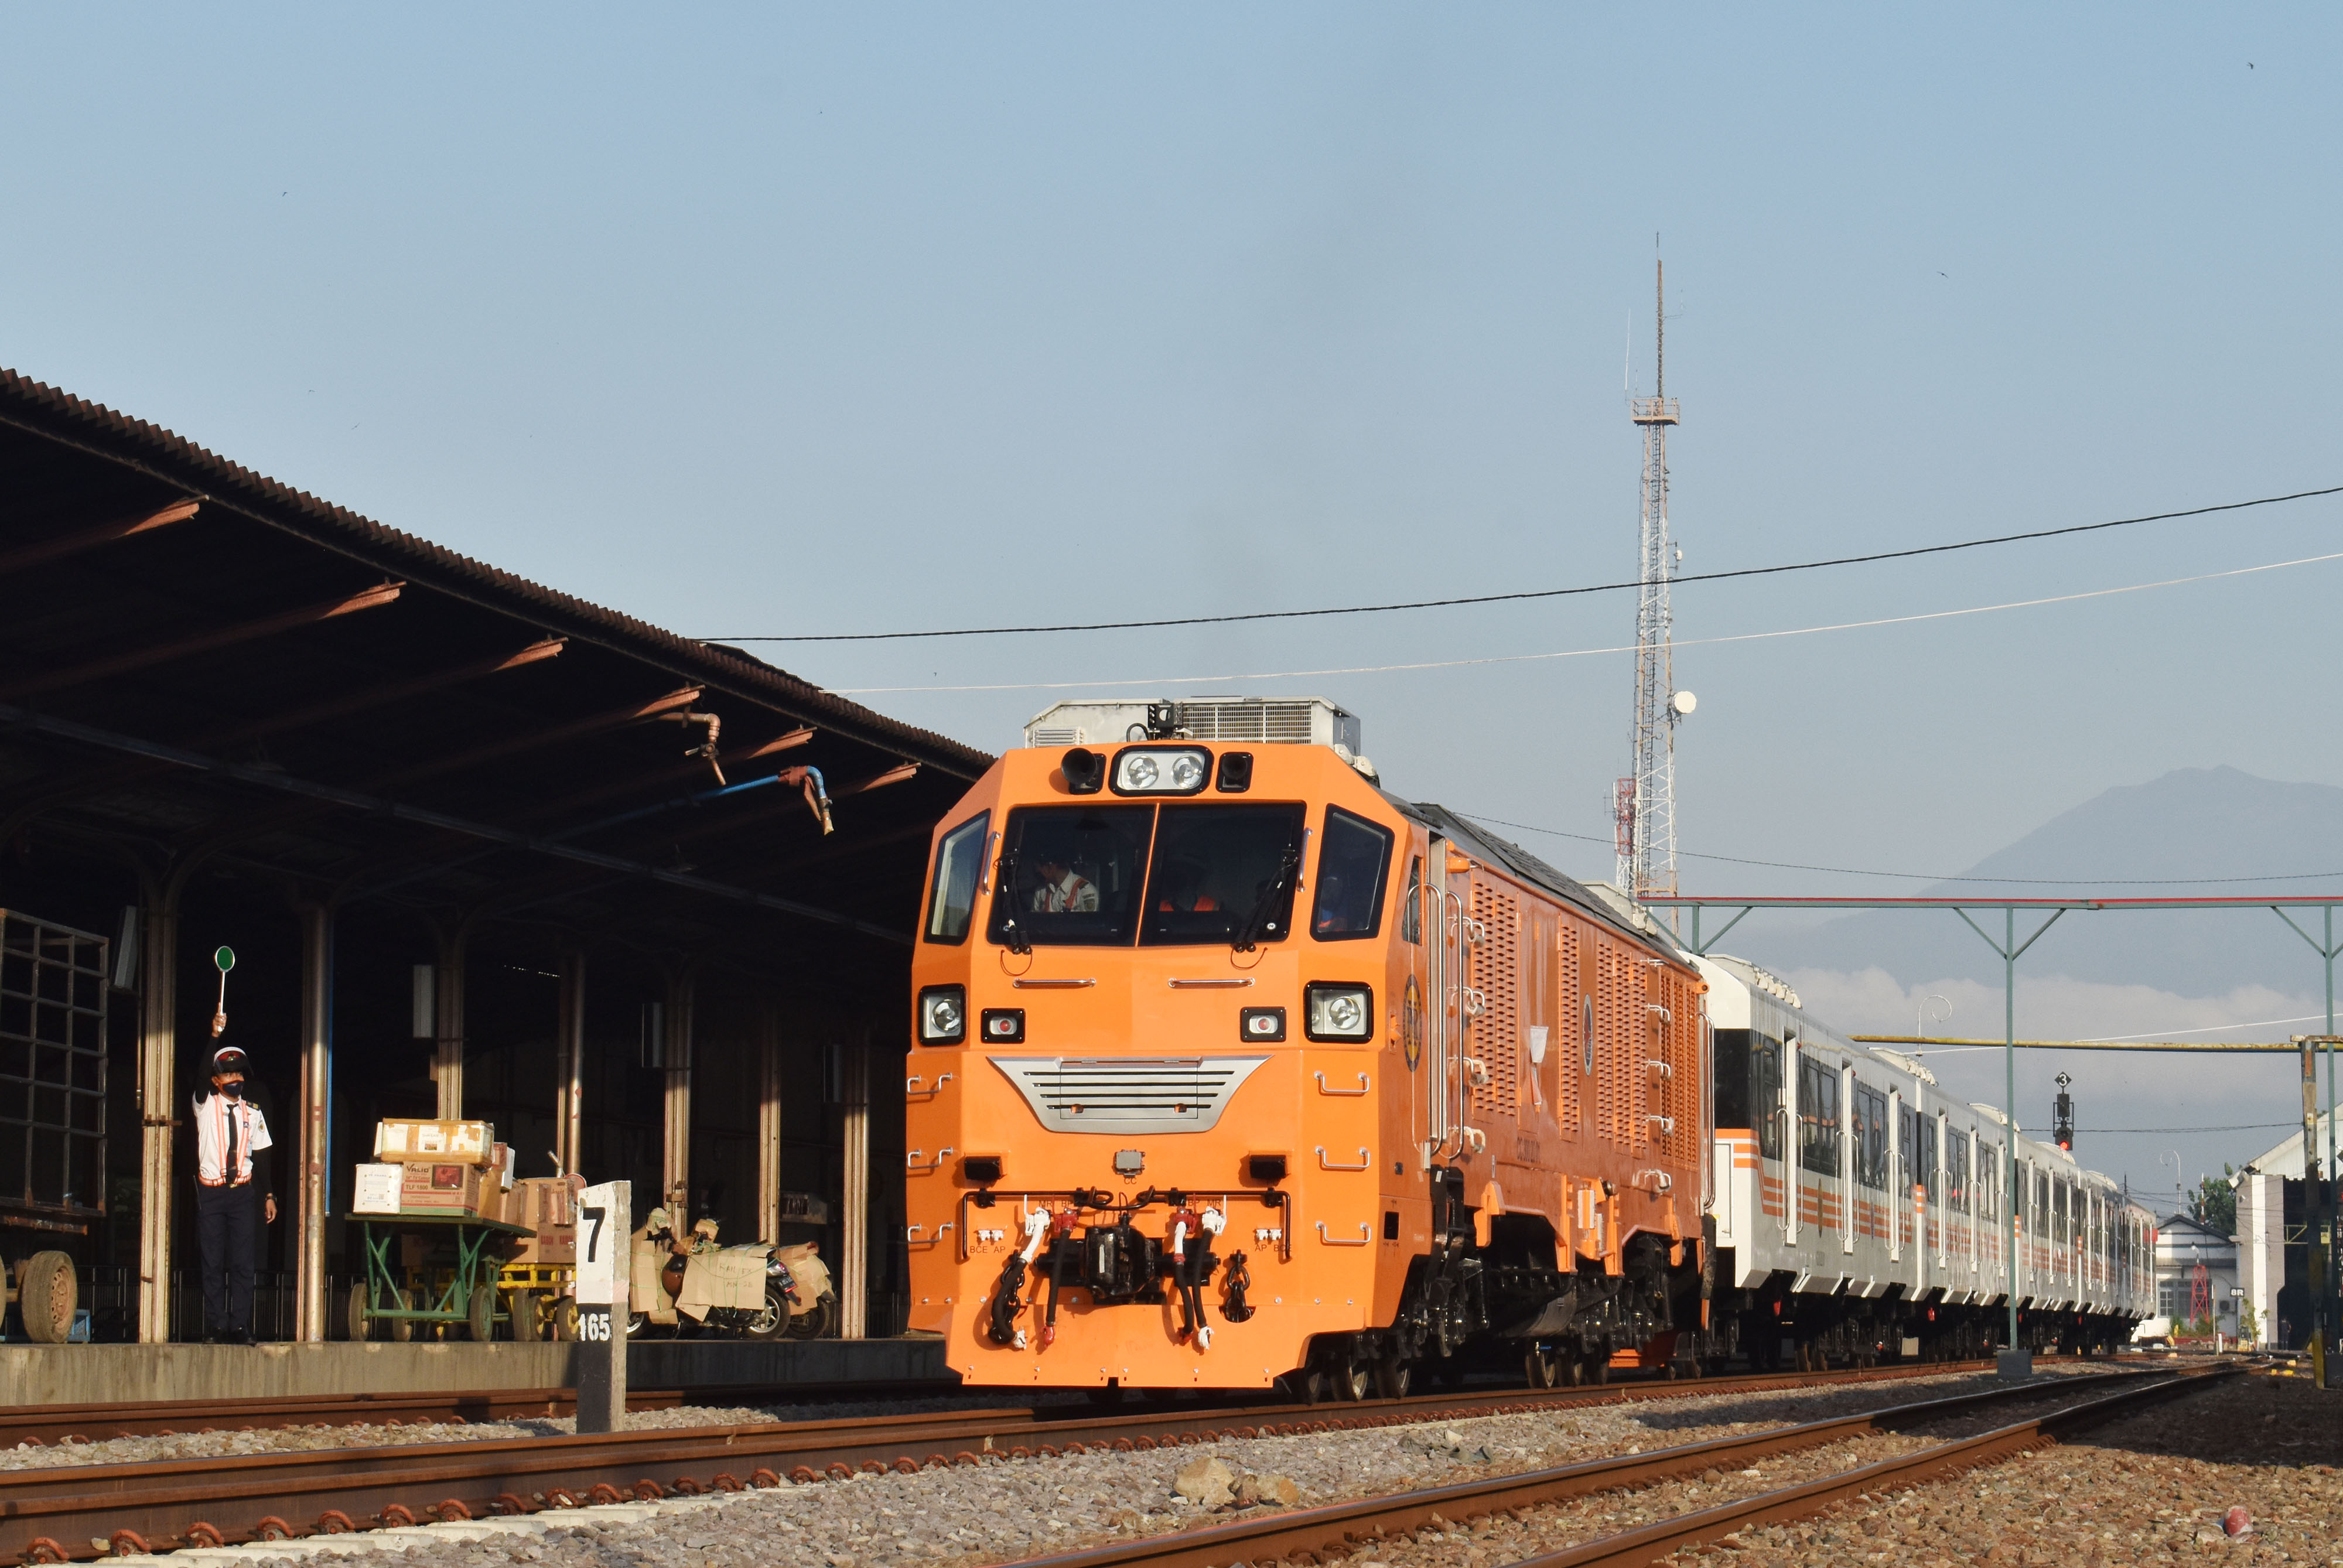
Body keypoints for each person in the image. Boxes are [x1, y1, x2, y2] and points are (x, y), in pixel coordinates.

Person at [192, 1044, 275, 1344]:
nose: (235, 1079)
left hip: (242, 1193)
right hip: (211, 1193)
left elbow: (262, 1155)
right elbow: (201, 1074)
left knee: (243, 1263)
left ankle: (240, 1326)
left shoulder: (252, 1112)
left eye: (239, 1073)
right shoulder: (205, 1104)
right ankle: (217, 1325)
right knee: (212, 1262)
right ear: (217, 1080)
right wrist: (213, 1037)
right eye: (228, 1074)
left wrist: (268, 1195)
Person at [1030, 855, 1097, 913]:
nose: (1037, 877)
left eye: (1038, 873)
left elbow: (1086, 926)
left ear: (1049, 867)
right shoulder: (1041, 890)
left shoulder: (1086, 891)